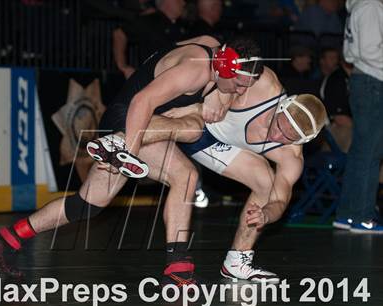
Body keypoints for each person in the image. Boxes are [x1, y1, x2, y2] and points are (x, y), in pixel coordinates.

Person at [0, 35, 265, 286]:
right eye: (239, 85)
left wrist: (219, 95)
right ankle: (177, 265)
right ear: (227, 67)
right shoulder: (195, 70)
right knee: (187, 168)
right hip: (129, 121)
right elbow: (141, 101)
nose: (240, 92)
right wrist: (128, 149)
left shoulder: (212, 48)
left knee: (86, 205)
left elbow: (171, 52)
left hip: (144, 124)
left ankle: (9, 237)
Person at [160, 66, 327, 282]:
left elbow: (279, 200)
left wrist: (266, 214)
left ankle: (237, 260)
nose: (276, 135)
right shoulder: (265, 85)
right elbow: (228, 59)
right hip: (188, 116)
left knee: (267, 183)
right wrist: (210, 98)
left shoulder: (291, 158)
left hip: (209, 142)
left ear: (302, 141)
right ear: (282, 106)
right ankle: (121, 139)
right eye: (278, 124)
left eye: (287, 137)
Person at [333, 0, 383, 233]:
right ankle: (362, 216)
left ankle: (347, 215)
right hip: (373, 82)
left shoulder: (361, 5)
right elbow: (371, 51)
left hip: (365, 81)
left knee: (362, 152)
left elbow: (352, 52)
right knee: (370, 153)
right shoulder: (371, 6)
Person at [113, 0, 188, 79]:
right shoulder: (150, 20)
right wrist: (123, 67)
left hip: (177, 77)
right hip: (153, 78)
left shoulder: (183, 25)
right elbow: (119, 34)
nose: (183, 3)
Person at [318, 47, 352, 152]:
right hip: (334, 129)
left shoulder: (353, 79)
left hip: (347, 127)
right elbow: (340, 119)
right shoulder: (337, 80)